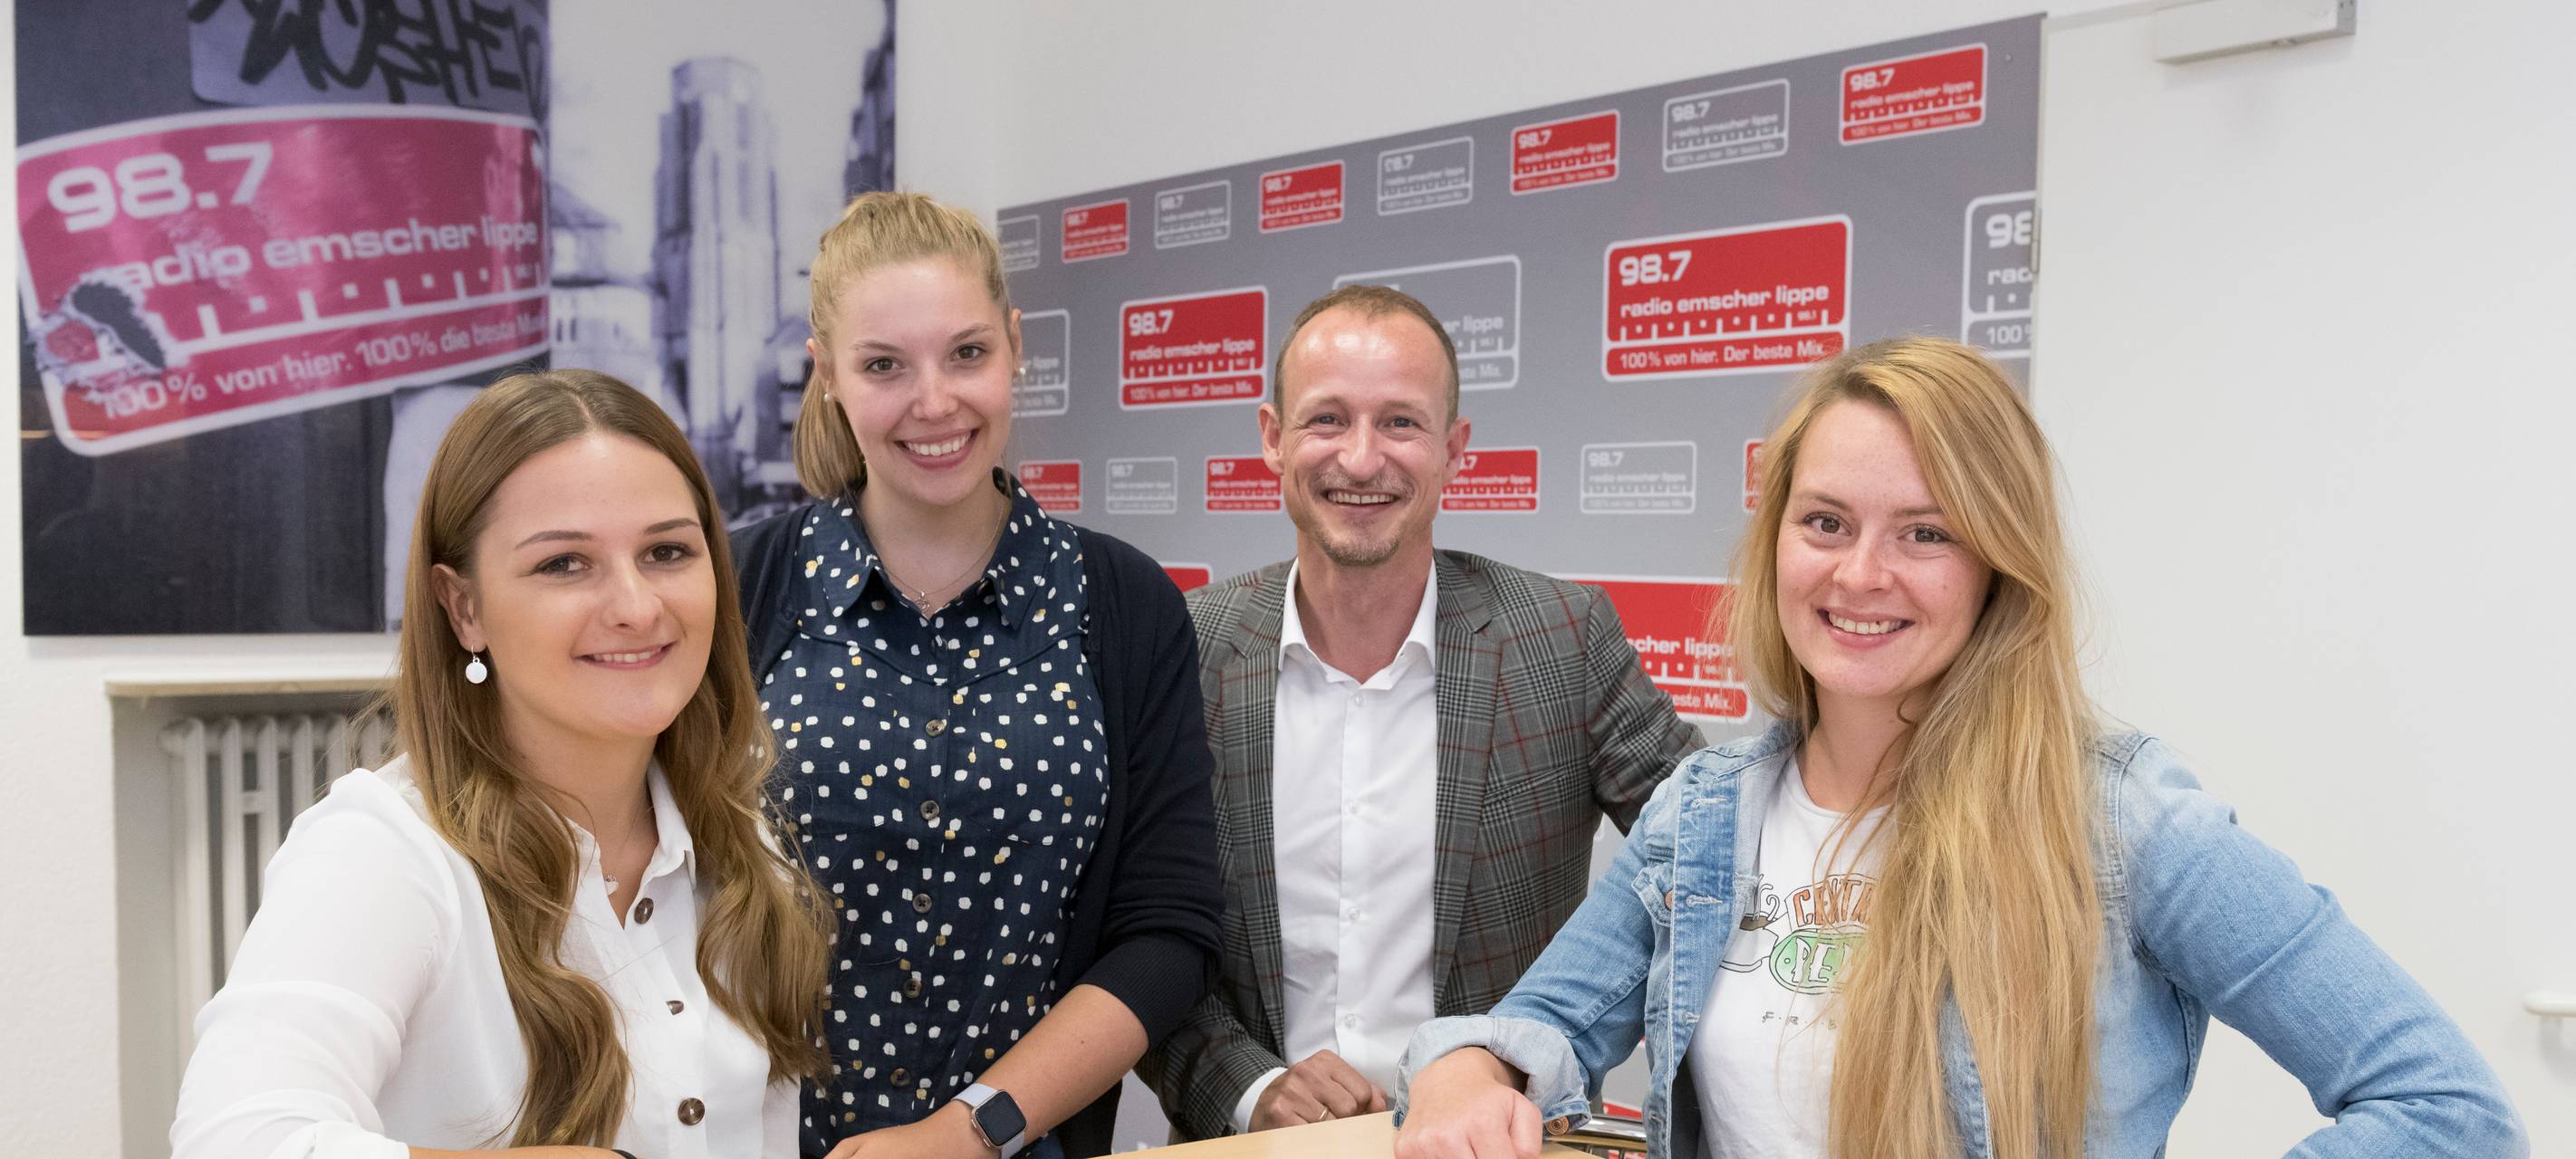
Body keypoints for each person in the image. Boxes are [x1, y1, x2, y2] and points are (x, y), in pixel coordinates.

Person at [1391, 337, 2527, 1159]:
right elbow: (1533, 1029)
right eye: (1826, 521)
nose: (1859, 575)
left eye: (1925, 533)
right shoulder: (1706, 811)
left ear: (1997, 564)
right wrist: (1461, 1070)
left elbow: (2446, 1109)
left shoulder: (2122, 819)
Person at [170, 369, 833, 1158]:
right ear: (464, 608)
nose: (636, 605)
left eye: (666, 551)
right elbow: (234, 1139)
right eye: (564, 564)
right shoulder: (384, 850)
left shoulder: (737, 846)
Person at [1140, 284, 1704, 1141]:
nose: (1362, 461)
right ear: (1271, 438)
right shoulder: (1186, 645)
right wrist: (1250, 1088)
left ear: (1454, 448)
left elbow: (1708, 850)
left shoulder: (1561, 638)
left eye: (1400, 423)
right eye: (1327, 419)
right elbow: (1135, 925)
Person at [729, 191, 1223, 1159]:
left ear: (1014, 344)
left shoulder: (1123, 604)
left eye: (967, 352)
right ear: (825, 374)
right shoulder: (739, 589)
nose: (935, 401)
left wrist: (974, 1127)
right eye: (883, 365)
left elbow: (1168, 933)